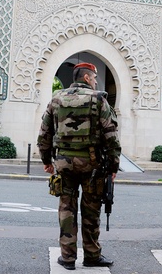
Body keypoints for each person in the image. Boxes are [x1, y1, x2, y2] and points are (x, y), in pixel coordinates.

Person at [37, 62, 121, 271]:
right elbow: (111, 136)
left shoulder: (57, 99)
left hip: (64, 163)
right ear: (85, 78)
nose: (95, 81)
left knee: (67, 209)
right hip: (92, 165)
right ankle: (92, 255)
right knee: (91, 211)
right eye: (93, 78)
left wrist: (47, 161)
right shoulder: (99, 99)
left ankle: (67, 258)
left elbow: (44, 134)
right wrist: (113, 166)